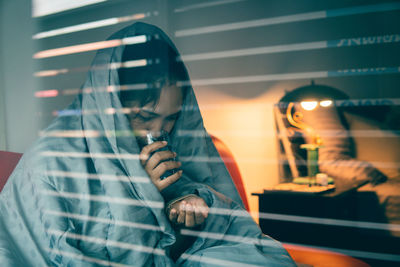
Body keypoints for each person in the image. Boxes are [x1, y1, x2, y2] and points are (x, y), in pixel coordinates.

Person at [0, 22, 296, 266]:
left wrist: (187, 212)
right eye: (144, 118)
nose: (159, 133)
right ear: (107, 106)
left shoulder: (171, 145)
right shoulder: (51, 164)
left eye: (171, 119)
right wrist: (143, 195)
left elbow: (183, 243)